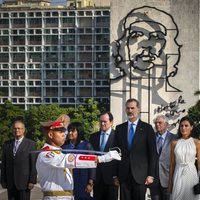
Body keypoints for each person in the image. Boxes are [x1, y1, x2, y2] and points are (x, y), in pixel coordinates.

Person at [36, 114, 121, 200]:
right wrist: (102, 158)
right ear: (50, 135)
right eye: (60, 132)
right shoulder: (47, 154)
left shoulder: (59, 152)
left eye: (64, 131)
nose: (64, 134)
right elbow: (72, 160)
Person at [113, 98, 157, 200]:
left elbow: (153, 153)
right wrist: (115, 175)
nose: (130, 111)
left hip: (141, 176)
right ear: (125, 110)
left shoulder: (147, 128)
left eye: (132, 108)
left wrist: (151, 175)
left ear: (138, 109)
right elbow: (115, 153)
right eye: (128, 108)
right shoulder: (120, 128)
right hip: (123, 175)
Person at [0, 120, 37, 200]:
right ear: (12, 130)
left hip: (24, 183)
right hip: (10, 183)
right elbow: (4, 164)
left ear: (23, 130)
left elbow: (33, 163)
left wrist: (32, 180)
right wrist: (3, 180)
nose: (17, 130)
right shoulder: (7, 144)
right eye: (15, 128)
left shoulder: (31, 144)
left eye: (19, 128)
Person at [167, 116, 200, 200]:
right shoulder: (174, 143)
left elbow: (199, 164)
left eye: (186, 125)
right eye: (181, 126)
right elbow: (172, 164)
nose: (183, 128)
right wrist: (170, 182)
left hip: (192, 175)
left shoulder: (197, 142)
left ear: (191, 127)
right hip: (178, 174)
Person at [62, 122, 95, 200]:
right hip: (67, 179)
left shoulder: (87, 145)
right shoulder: (64, 146)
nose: (70, 133)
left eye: (73, 131)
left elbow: (92, 165)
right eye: (69, 131)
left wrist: (90, 182)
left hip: (82, 178)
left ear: (79, 132)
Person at [89, 112, 118, 200]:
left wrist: (117, 176)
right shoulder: (93, 137)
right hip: (97, 179)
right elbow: (91, 157)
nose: (102, 124)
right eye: (100, 121)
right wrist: (91, 178)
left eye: (105, 121)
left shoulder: (118, 136)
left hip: (112, 179)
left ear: (111, 122)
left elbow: (119, 158)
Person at [149, 115, 176, 200]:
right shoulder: (150, 137)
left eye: (159, 122)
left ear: (167, 125)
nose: (157, 125)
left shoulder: (174, 138)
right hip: (153, 179)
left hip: (168, 178)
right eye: (156, 123)